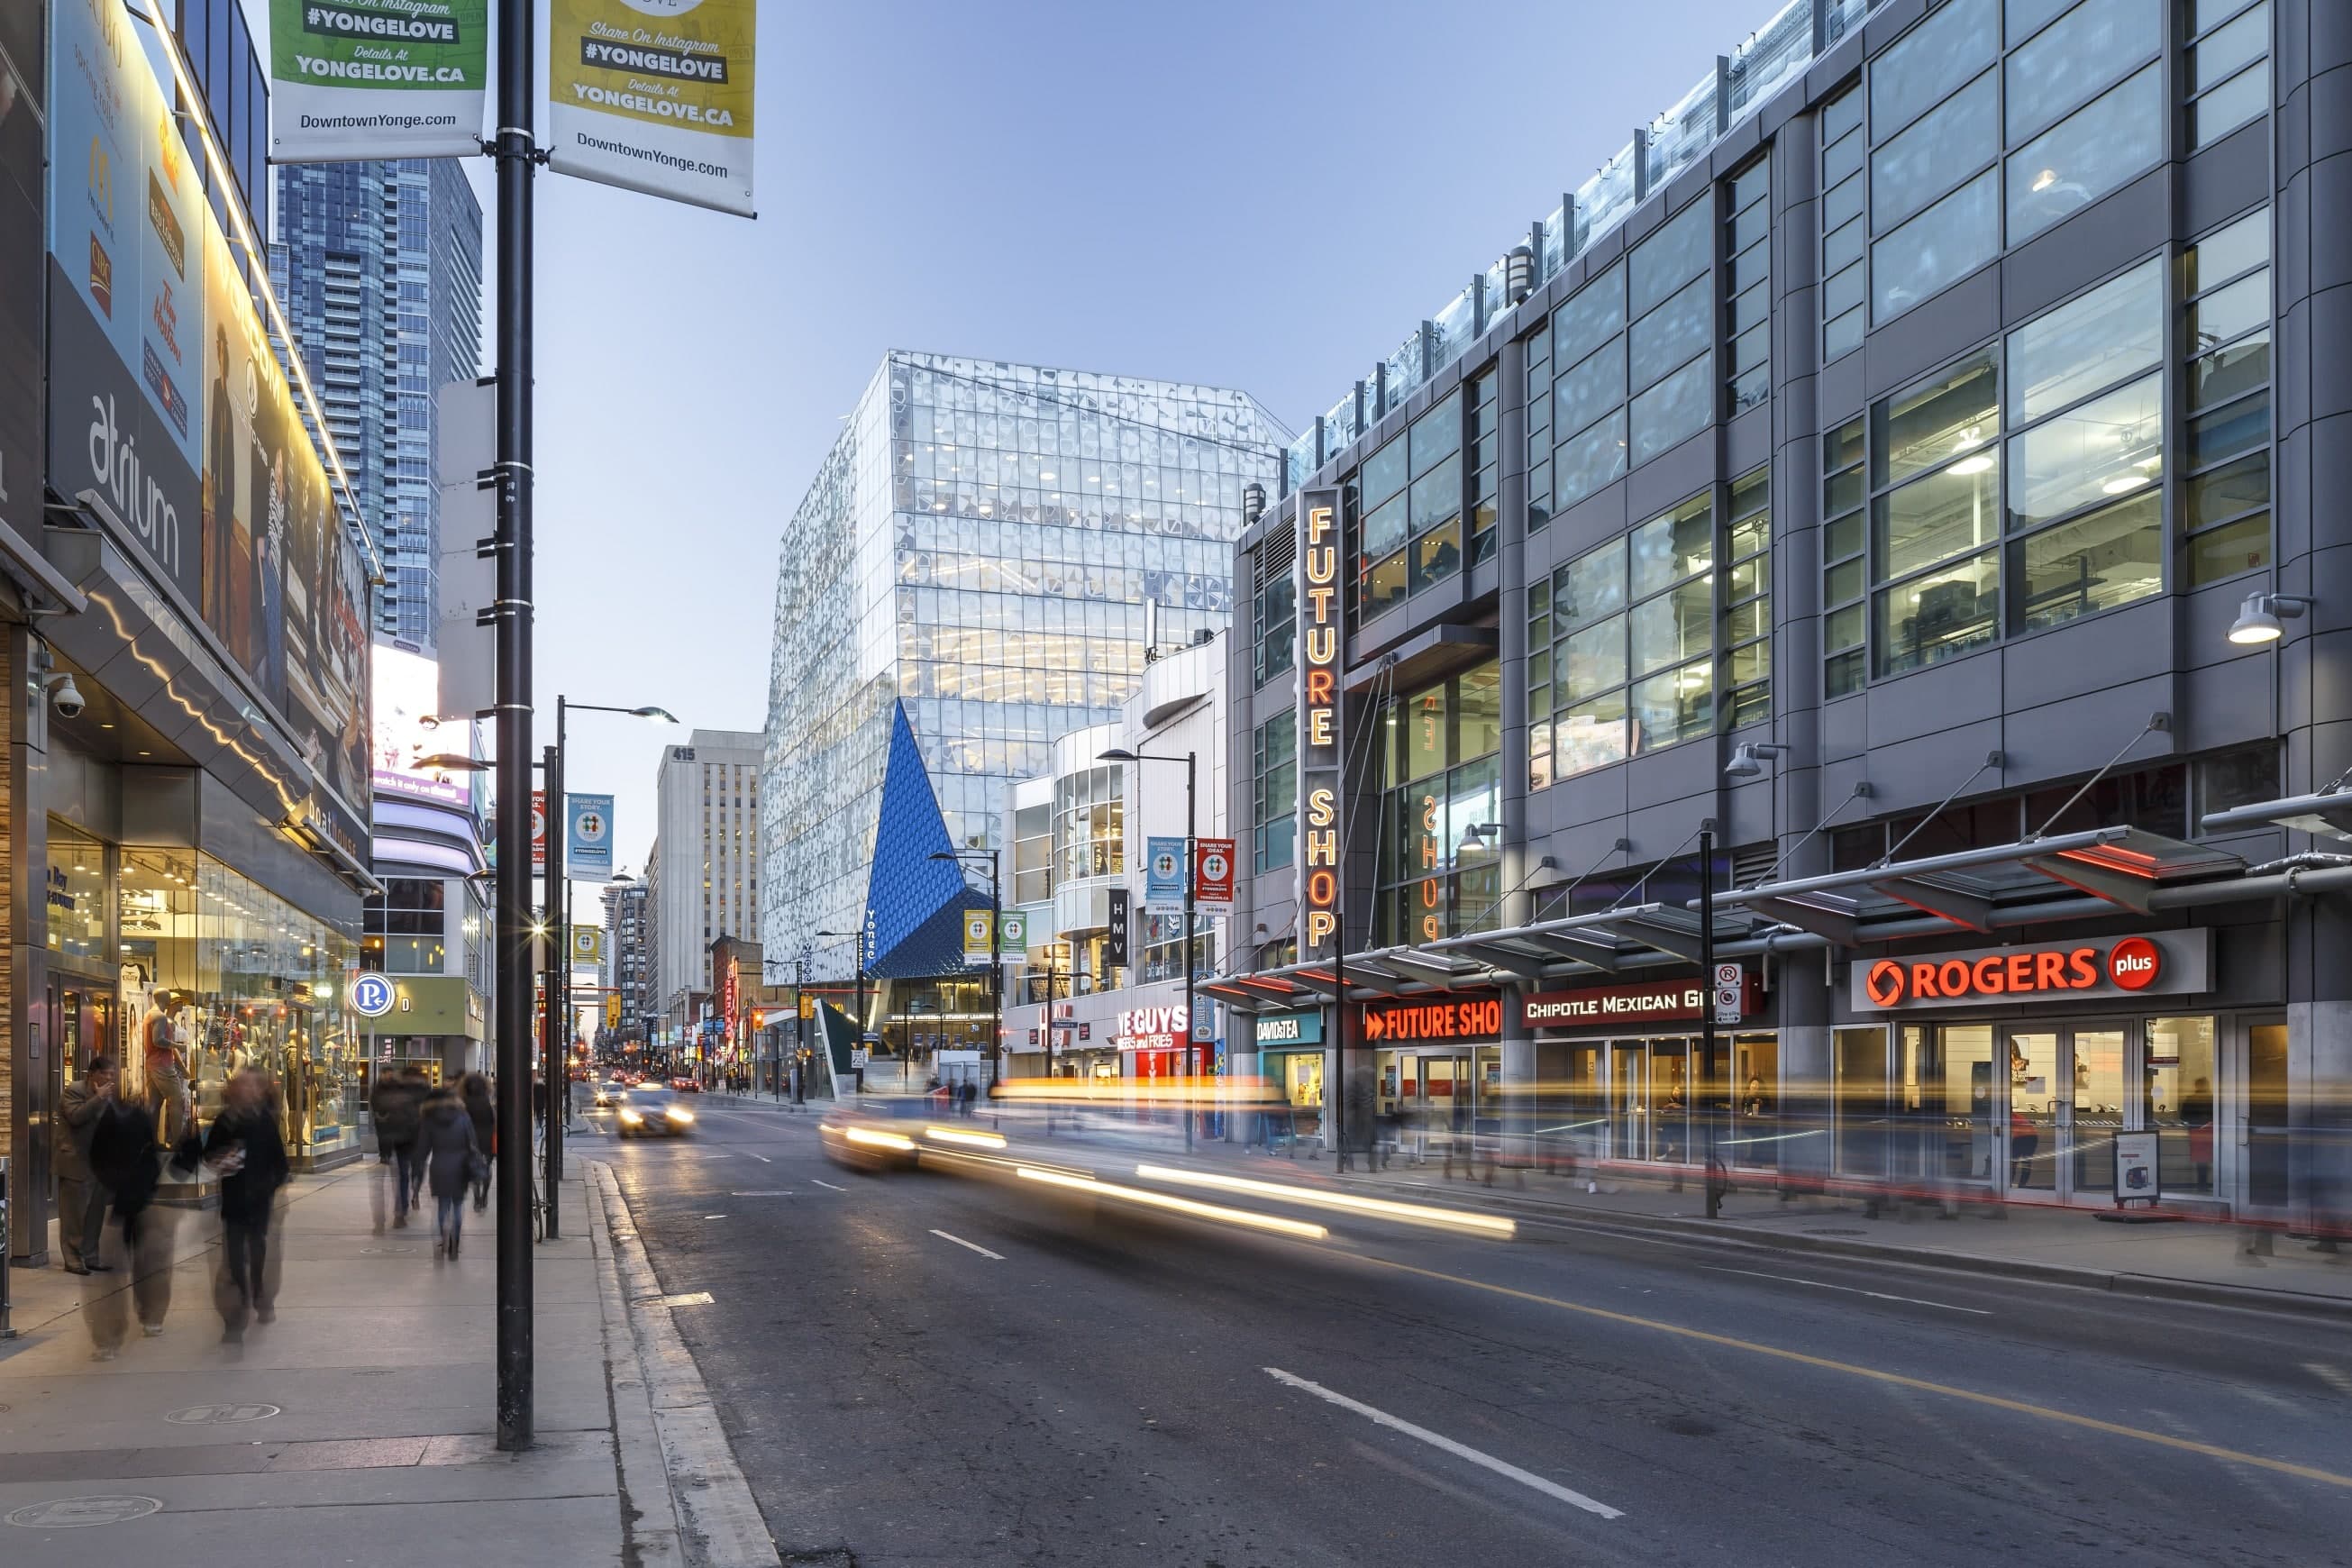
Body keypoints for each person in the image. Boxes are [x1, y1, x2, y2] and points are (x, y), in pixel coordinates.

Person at [85, 1092, 177, 1356]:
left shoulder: (115, 1124)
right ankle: (150, 1319)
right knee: (148, 1264)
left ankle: (110, 1340)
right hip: (136, 1201)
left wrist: (112, 1185)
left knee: (116, 1272)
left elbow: (96, 1158)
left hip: (121, 1202)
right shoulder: (137, 1123)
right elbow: (152, 1160)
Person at [205, 1070, 289, 1343]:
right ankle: (236, 1318)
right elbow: (209, 1155)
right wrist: (222, 1160)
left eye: (251, 1086)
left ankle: (260, 1296)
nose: (246, 1090)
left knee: (258, 1253)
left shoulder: (264, 1121)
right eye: (241, 1085)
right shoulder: (225, 1121)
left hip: (259, 1201)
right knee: (234, 1259)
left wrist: (270, 1185)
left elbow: (280, 1162)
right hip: (234, 1200)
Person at [54, 1057, 117, 1274]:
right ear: (92, 1073)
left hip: (97, 1164)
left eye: (112, 1074)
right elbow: (75, 1117)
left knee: (94, 1214)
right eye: (105, 1074)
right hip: (75, 1163)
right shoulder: (74, 1090)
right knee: (74, 1215)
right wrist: (98, 1099)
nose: (109, 1078)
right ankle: (72, 1259)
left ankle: (91, 1257)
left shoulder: (106, 1097)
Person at [416, 1080, 482, 1259]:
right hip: (460, 1167)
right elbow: (472, 1143)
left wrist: (418, 1167)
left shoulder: (429, 1119)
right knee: (458, 1206)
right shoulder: (463, 1117)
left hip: (439, 1166)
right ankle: (455, 1241)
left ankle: (442, 1237)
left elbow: (423, 1148)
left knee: (442, 1207)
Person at [369, 1064, 428, 1232]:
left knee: (396, 1177)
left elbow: (380, 1111)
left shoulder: (386, 1091)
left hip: (394, 1139)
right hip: (399, 1140)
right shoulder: (402, 1091)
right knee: (401, 1175)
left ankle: (392, 1215)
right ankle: (400, 1212)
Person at [460, 1071, 496, 1213]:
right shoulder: (487, 1103)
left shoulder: (464, 1103)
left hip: (470, 1140)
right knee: (487, 1167)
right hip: (487, 1139)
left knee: (474, 1167)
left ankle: (477, 1197)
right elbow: (493, 1122)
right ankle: (484, 1195)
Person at [2182, 1075, 2216, 1190]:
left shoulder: (2190, 1099)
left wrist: (2196, 1122)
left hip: (2195, 1131)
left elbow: (2183, 1116)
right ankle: (2205, 1184)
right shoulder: (2211, 1099)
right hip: (2209, 1131)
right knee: (2207, 1158)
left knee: (2201, 1159)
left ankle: (2202, 1184)